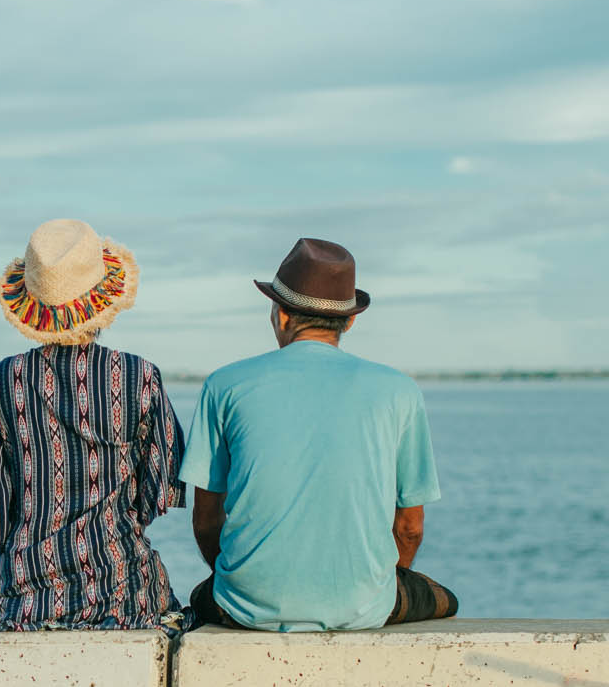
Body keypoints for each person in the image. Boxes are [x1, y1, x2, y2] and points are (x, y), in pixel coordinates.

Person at [180, 238, 458, 632]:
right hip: (364, 607)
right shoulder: (399, 390)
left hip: (243, 606)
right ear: (350, 320)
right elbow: (410, 526)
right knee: (444, 599)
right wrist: (373, 586)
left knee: (198, 597)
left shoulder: (224, 385)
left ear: (281, 316)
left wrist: (238, 579)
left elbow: (206, 519)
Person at [0, 218, 187, 630]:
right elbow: (160, 490)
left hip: (25, 592)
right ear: (102, 300)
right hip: (123, 587)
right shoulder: (139, 376)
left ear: (32, 306)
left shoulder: (0, 381)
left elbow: (5, 499)